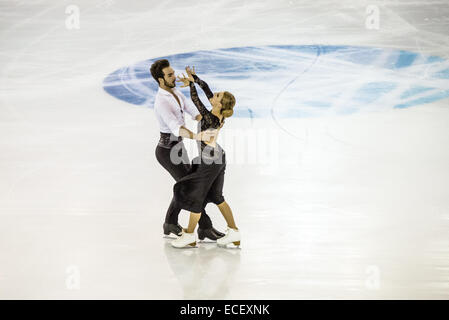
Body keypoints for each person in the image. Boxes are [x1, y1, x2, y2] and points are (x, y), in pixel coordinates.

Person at [150, 59, 225, 240]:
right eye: (169, 75)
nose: (174, 77)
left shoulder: (174, 92)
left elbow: (192, 108)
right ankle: (205, 227)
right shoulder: (162, 102)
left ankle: (171, 223)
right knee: (191, 188)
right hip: (167, 151)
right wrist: (197, 136)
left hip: (177, 148)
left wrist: (207, 119)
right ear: (160, 80)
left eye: (173, 73)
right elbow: (176, 128)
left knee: (187, 186)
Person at [170, 66, 241, 249]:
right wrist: (195, 79)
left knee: (196, 198)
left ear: (218, 104)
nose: (214, 95)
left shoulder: (210, 118)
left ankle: (188, 235)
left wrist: (192, 85)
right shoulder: (218, 113)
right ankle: (233, 231)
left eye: (217, 96)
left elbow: (195, 100)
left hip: (209, 162)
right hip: (217, 157)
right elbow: (207, 88)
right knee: (217, 197)